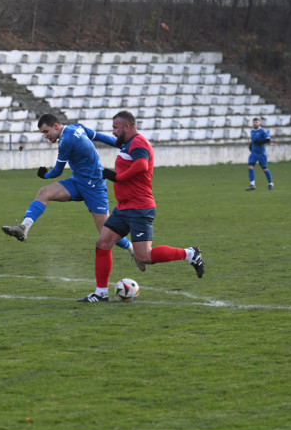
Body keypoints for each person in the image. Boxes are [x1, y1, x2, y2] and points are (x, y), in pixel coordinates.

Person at [79, 110, 204, 302]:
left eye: (115, 128)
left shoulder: (138, 142)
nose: (113, 132)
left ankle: (189, 254)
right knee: (102, 244)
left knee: (144, 256)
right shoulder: (127, 144)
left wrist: (117, 177)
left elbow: (141, 165)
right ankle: (101, 293)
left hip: (139, 208)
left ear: (127, 126)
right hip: (123, 207)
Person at [1, 113, 137, 264]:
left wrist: (45, 175)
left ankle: (131, 248)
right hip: (78, 181)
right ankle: (23, 227)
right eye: (43, 133)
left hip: (94, 186)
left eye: (46, 132)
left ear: (56, 126)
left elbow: (58, 171)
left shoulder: (66, 140)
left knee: (105, 232)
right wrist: (122, 145)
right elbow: (99, 136)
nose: (45, 136)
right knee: (44, 193)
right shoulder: (76, 127)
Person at [246, 117, 274, 190]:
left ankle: (270, 183)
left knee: (264, 169)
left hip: (261, 154)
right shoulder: (252, 131)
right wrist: (250, 146)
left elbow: (268, 139)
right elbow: (253, 140)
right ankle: (252, 184)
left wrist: (260, 142)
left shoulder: (263, 131)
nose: (255, 123)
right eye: (254, 122)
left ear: (259, 123)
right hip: (254, 153)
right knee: (250, 166)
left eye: (256, 122)